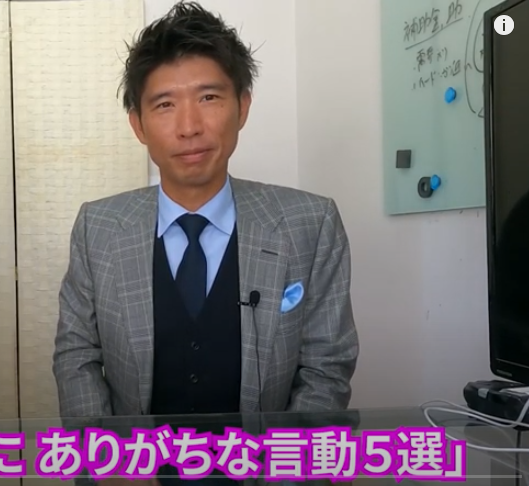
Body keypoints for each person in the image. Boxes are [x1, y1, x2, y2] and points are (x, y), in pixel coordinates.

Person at [53, 0, 358, 434]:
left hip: (263, 463)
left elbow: (326, 367)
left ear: (243, 107)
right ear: (138, 125)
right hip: (133, 465)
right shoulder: (97, 228)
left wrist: (283, 464)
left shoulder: (311, 223)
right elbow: (76, 356)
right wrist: (110, 458)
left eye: (209, 97)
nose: (189, 126)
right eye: (164, 105)